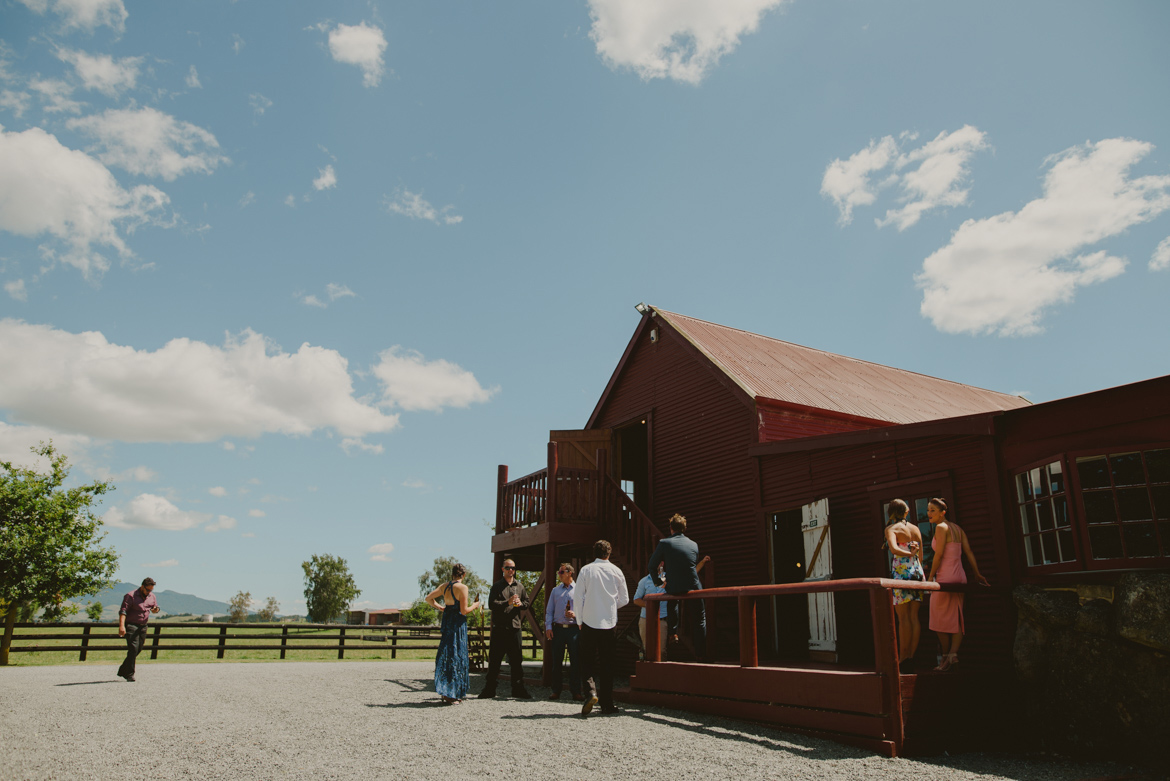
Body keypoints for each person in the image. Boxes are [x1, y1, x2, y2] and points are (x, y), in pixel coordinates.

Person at [925, 497, 990, 672]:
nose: (928, 513)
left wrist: (930, 578)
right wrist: (976, 574)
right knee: (956, 616)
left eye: (932, 510)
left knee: (937, 619)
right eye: (928, 510)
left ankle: (946, 656)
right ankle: (953, 655)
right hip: (960, 576)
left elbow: (938, 556)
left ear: (942, 513)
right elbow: (968, 551)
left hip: (945, 577)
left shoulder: (941, 527)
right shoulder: (958, 529)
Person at [575, 539, 629, 716]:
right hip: (610, 622)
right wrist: (611, 606)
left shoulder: (586, 570)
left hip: (589, 622)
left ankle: (590, 692)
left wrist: (579, 620)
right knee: (608, 664)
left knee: (586, 660)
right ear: (609, 553)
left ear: (594, 553)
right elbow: (625, 599)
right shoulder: (617, 571)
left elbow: (578, 597)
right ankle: (607, 704)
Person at [647, 514, 711, 659]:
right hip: (693, 584)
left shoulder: (664, 543)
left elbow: (651, 565)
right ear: (685, 529)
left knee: (672, 599)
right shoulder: (694, 544)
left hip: (674, 585)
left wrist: (658, 582)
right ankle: (701, 655)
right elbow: (690, 564)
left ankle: (672, 632)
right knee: (700, 619)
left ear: (670, 528)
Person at [425, 562, 481, 703]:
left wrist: (441, 607)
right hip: (457, 625)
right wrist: (474, 606)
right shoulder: (462, 588)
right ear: (464, 574)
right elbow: (463, 611)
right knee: (457, 656)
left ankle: (448, 692)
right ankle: (452, 693)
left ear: (452, 574)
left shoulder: (444, 586)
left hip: (447, 622)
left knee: (447, 654)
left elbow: (428, 598)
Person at [478, 558, 532, 699]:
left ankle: (518, 689)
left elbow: (527, 603)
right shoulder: (496, 586)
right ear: (503, 569)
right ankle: (489, 689)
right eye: (508, 568)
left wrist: (520, 604)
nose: (511, 570)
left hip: (514, 628)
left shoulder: (519, 586)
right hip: (500, 628)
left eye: (513, 568)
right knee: (495, 660)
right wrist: (506, 602)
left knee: (516, 661)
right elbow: (492, 604)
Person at [884, 499, 925, 673]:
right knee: (914, 617)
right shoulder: (915, 529)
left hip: (901, 573)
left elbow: (893, 549)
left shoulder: (891, 529)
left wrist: (908, 553)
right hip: (916, 572)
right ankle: (911, 657)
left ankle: (902, 657)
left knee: (903, 618)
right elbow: (921, 555)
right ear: (906, 512)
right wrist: (914, 556)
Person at [543, 562, 581, 701]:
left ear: (570, 573)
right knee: (556, 661)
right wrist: (548, 627)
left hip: (574, 630)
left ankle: (576, 691)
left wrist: (576, 614)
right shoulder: (555, 590)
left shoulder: (579, 590)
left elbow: (585, 610)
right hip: (558, 629)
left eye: (561, 572)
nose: (559, 575)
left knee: (575, 662)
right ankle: (556, 691)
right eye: (559, 572)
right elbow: (549, 611)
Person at [117, 578, 160, 682]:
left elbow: (156, 608)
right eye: (147, 590)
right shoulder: (130, 596)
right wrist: (121, 626)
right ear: (142, 586)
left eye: (151, 590)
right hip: (131, 625)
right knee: (133, 648)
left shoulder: (152, 596)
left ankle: (123, 669)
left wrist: (156, 610)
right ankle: (130, 674)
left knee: (138, 648)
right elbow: (123, 612)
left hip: (143, 626)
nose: (149, 592)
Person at [633, 561, 667, 660]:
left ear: (662, 564)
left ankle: (661, 674)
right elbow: (636, 600)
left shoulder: (668, 579)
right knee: (647, 649)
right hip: (646, 619)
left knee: (661, 651)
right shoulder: (644, 581)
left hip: (662, 619)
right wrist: (651, 606)